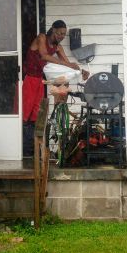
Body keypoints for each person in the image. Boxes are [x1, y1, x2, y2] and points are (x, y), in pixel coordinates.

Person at [22, 20, 88, 156]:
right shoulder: (41, 38)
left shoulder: (58, 47)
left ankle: (32, 150)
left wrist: (81, 71)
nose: (61, 36)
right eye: (59, 33)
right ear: (53, 29)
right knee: (25, 113)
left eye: (64, 34)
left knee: (36, 115)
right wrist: (69, 65)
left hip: (40, 80)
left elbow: (68, 64)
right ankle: (22, 146)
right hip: (28, 79)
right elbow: (44, 55)